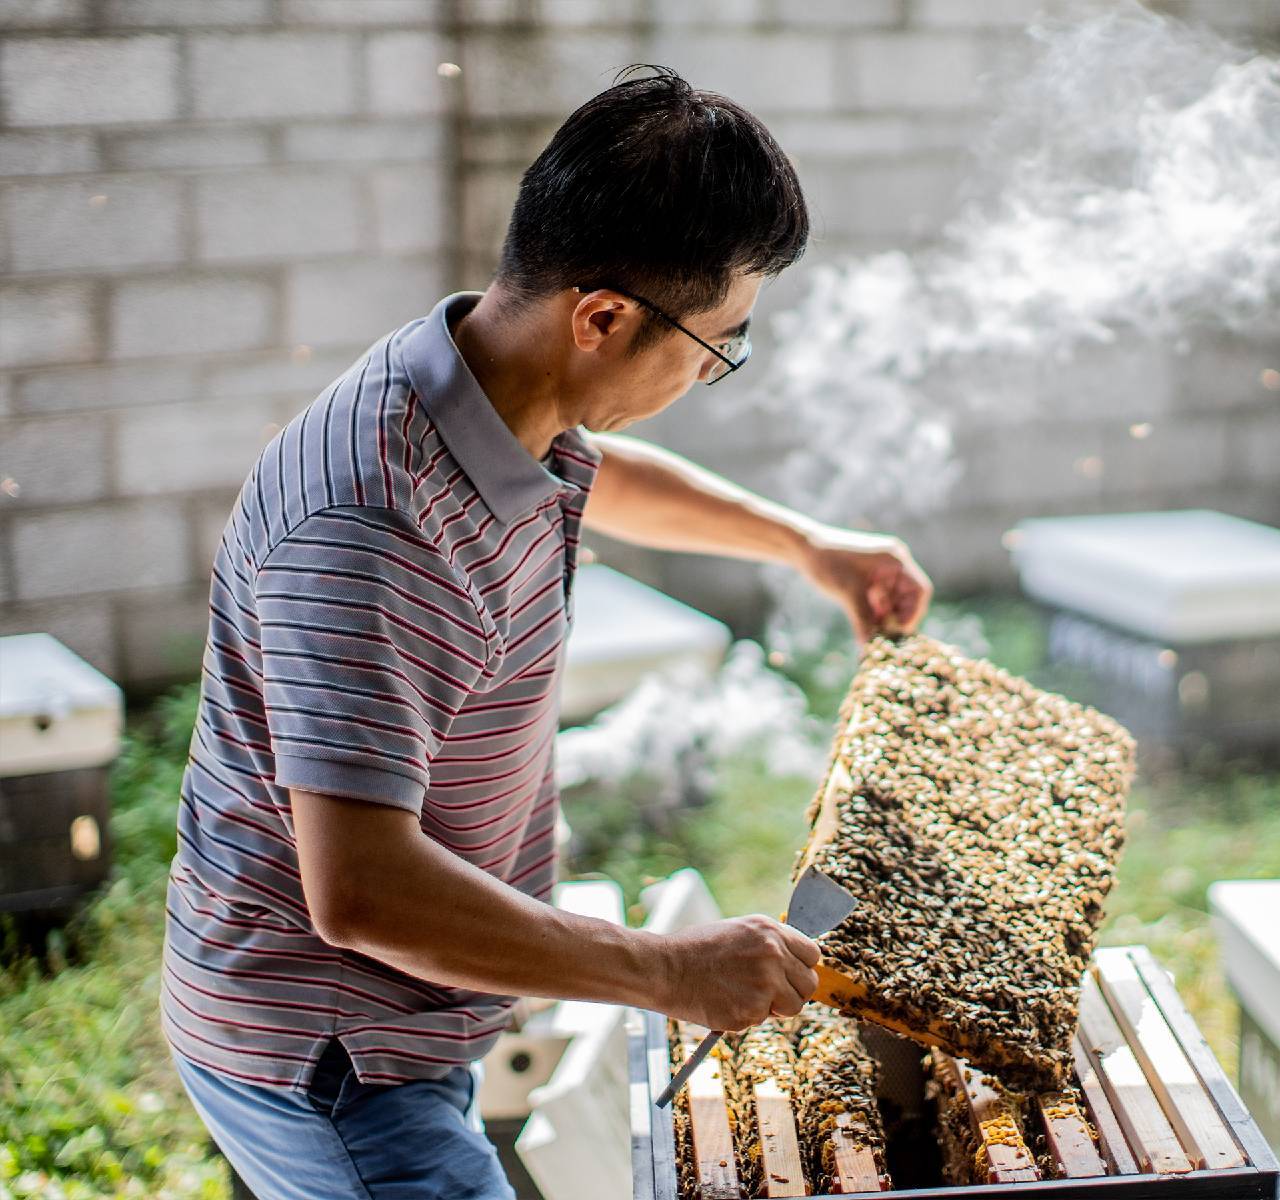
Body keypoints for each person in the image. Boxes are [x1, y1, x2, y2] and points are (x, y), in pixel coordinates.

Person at [160, 65, 932, 1199]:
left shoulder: (488, 382)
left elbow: (602, 474)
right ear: (604, 317)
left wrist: (803, 543)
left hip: (410, 1013)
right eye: (719, 346)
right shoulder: (370, 523)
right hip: (334, 1052)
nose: (714, 371)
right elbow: (363, 893)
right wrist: (670, 971)